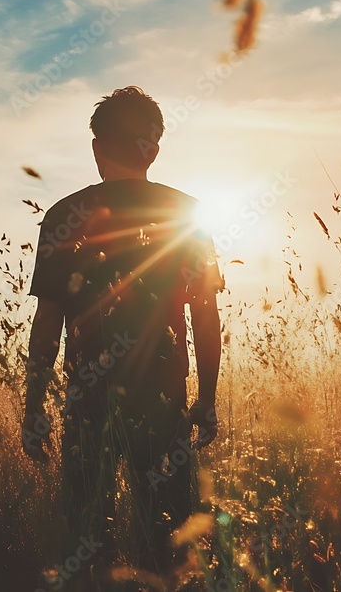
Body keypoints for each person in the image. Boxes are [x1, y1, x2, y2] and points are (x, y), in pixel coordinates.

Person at [21, 86, 224, 585]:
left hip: (87, 401)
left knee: (86, 539)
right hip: (163, 399)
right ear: (153, 148)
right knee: (171, 542)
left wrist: (34, 404)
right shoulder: (188, 214)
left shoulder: (63, 217)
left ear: (96, 147)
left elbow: (47, 322)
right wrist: (207, 399)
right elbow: (205, 316)